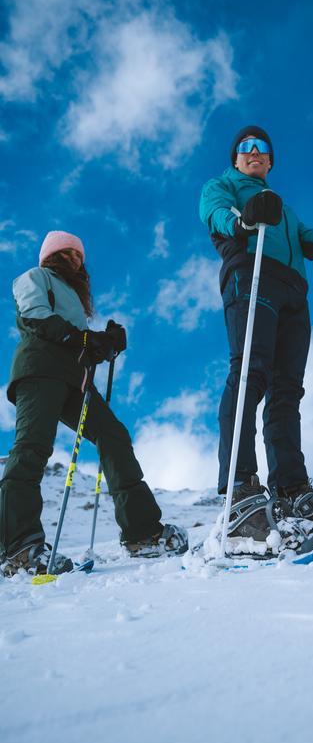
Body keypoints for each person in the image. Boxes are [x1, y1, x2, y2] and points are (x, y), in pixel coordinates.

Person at [199, 126, 313, 546]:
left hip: (293, 292)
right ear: (236, 157)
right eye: (246, 147)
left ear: (270, 160)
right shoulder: (222, 186)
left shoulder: (284, 209)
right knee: (250, 373)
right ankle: (241, 490)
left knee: (286, 392)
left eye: (262, 148)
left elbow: (312, 241)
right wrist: (243, 219)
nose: (255, 152)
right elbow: (216, 214)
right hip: (251, 273)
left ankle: (291, 490)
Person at [0, 231, 188, 577]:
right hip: (40, 370)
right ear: (48, 256)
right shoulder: (35, 278)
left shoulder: (72, 295)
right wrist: (87, 338)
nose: (73, 258)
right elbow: (36, 316)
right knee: (32, 448)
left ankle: (142, 532)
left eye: (77, 255)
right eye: (65, 252)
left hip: (75, 380)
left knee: (113, 435)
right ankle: (19, 548)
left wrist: (105, 343)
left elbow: (78, 340)